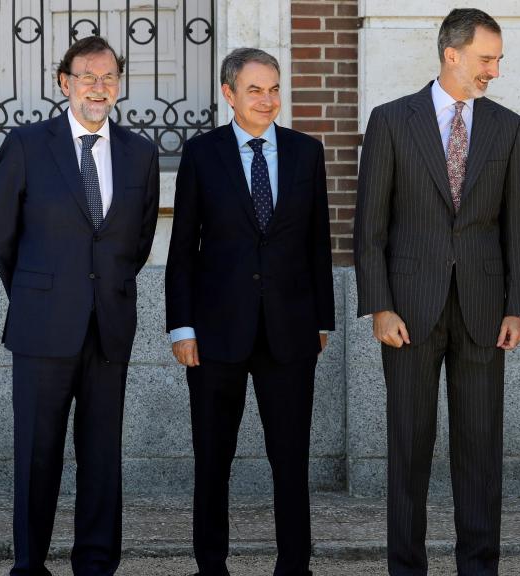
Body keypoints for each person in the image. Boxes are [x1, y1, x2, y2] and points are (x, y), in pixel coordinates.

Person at [353, 8, 520, 575]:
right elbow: (370, 225)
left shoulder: (507, 126)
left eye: (498, 60)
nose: (494, 72)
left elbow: (517, 227)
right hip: (407, 310)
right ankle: (406, 568)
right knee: (409, 450)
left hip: (483, 311)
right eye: (486, 59)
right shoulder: (390, 121)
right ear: (451, 54)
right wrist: (379, 305)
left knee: (479, 454)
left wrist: (517, 307)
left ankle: (478, 568)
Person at [0, 35, 159, 575]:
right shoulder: (28, 144)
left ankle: (96, 564)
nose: (98, 87)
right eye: (87, 76)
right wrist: (40, 294)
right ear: (65, 82)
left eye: (109, 77)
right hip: (43, 329)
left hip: (108, 328)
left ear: (119, 85)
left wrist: (100, 291)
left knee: (102, 458)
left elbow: (139, 241)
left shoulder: (140, 152)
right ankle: (30, 565)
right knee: (38, 456)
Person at [165, 47, 334, 576]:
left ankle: (294, 566)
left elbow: (318, 243)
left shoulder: (307, 152)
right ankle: (210, 565)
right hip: (216, 334)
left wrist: (322, 319)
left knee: (291, 460)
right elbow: (183, 248)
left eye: (275, 88)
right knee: (213, 461)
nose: (267, 99)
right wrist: (182, 326)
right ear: (229, 94)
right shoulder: (201, 154)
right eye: (255, 89)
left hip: (290, 332)